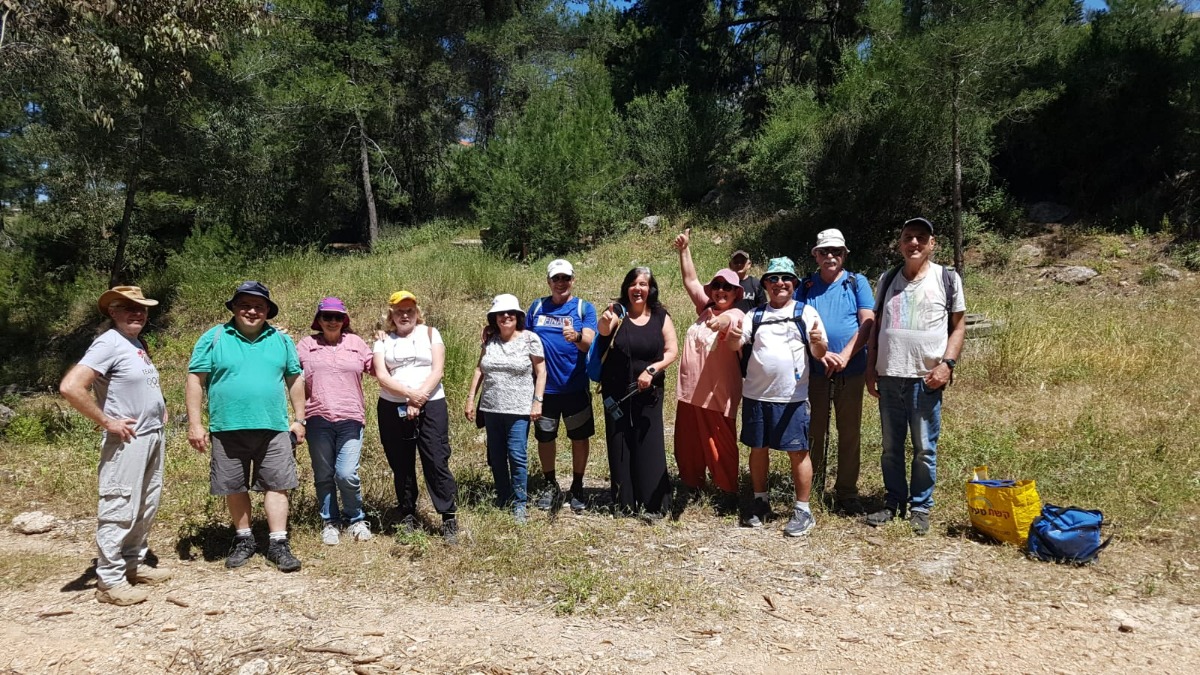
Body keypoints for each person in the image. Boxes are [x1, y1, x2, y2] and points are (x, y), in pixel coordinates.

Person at [59, 286, 171, 606]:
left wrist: (159, 405)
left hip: (151, 435)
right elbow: (71, 387)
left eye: (143, 309)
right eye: (128, 308)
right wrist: (108, 421)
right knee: (119, 504)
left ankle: (132, 564)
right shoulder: (108, 343)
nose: (138, 313)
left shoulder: (134, 342)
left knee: (146, 504)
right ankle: (109, 580)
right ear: (113, 312)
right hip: (126, 440)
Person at [186, 281, 306, 572]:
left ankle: (278, 544)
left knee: (278, 485)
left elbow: (295, 378)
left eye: (259, 306)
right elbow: (195, 380)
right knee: (233, 486)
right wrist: (195, 424)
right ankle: (244, 540)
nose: (252, 311)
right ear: (234, 307)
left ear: (267, 311)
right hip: (227, 427)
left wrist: (300, 418)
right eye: (245, 305)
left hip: (274, 427)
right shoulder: (213, 337)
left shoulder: (281, 340)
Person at [865, 217, 966, 536]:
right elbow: (877, 326)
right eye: (909, 237)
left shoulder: (946, 278)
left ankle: (920, 508)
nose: (914, 243)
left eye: (921, 238)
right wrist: (871, 368)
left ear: (932, 244)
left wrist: (946, 364)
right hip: (890, 375)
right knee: (890, 447)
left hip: (926, 378)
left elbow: (959, 327)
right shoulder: (888, 278)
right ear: (900, 243)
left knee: (924, 447)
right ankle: (893, 502)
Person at [732, 257, 827, 536]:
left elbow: (819, 353)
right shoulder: (755, 315)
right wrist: (732, 337)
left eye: (785, 278)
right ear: (765, 286)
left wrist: (820, 344)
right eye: (772, 279)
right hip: (756, 394)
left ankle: (803, 510)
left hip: (792, 398)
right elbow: (735, 344)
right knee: (758, 448)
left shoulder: (805, 312)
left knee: (798, 451)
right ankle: (760, 501)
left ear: (794, 284)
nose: (779, 283)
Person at [795, 229, 876, 514]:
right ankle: (812, 488)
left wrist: (844, 355)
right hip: (816, 372)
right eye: (825, 252)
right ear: (815, 255)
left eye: (837, 252)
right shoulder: (805, 286)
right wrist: (822, 353)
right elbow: (796, 323)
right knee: (814, 431)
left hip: (850, 369)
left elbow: (868, 322)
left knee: (849, 431)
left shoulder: (857, 282)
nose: (831, 256)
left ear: (844, 255)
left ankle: (847, 492)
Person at [374, 291, 460, 542]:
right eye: (399, 310)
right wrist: (408, 395)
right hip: (392, 406)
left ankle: (448, 516)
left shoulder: (431, 333)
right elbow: (382, 375)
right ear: (390, 313)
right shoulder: (382, 340)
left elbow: (438, 369)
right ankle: (408, 513)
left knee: (436, 457)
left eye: (409, 310)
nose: (405, 315)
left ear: (417, 312)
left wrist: (418, 397)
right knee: (401, 462)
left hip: (431, 403)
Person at [595, 267, 678, 519]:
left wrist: (652, 370)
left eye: (643, 284)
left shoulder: (660, 316)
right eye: (633, 283)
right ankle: (624, 503)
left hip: (649, 391)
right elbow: (603, 331)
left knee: (649, 445)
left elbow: (672, 350)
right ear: (626, 288)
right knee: (619, 443)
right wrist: (607, 320)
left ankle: (654, 505)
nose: (638, 288)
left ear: (650, 288)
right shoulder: (618, 313)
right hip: (617, 392)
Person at [671, 229, 745, 509]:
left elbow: (731, 322)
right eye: (716, 287)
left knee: (719, 443)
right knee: (687, 442)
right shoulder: (705, 309)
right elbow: (690, 280)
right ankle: (692, 484)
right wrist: (684, 250)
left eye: (727, 288)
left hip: (717, 394)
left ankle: (727, 492)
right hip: (689, 392)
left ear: (736, 292)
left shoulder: (737, 313)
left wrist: (722, 321)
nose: (720, 291)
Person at [296, 297, 374, 546]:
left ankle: (356, 519)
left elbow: (377, 367)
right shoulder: (306, 345)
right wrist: (273, 336)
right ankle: (330, 522)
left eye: (337, 317)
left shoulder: (356, 343)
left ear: (344, 320)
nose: (332, 321)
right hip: (317, 417)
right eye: (327, 316)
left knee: (346, 473)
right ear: (318, 320)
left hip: (351, 417)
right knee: (324, 474)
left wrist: (387, 341)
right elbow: (287, 370)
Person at [465, 294, 546, 525]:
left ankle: (520, 503)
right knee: (497, 456)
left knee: (517, 455)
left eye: (511, 313)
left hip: (519, 408)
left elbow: (541, 371)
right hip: (491, 407)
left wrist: (537, 401)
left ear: (519, 316)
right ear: (494, 318)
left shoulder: (530, 339)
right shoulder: (490, 340)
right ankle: (503, 496)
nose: (506, 316)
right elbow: (479, 369)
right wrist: (471, 399)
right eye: (501, 313)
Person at [527, 259, 598, 514]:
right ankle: (550, 484)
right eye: (556, 279)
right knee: (545, 437)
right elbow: (521, 338)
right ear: (548, 282)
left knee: (579, 438)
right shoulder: (536, 308)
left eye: (565, 278)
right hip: (544, 391)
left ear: (572, 280)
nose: (561, 283)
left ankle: (577, 485)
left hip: (575, 387)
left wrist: (576, 337)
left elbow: (590, 342)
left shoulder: (583, 308)